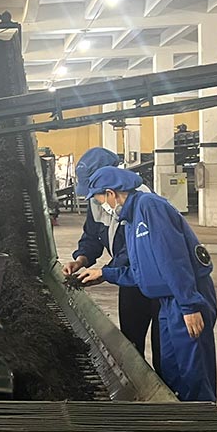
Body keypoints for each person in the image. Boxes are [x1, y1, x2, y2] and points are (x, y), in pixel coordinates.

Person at [75, 166, 217, 402]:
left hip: (184, 296)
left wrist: (189, 305)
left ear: (111, 193)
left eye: (100, 200)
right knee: (171, 369)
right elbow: (142, 271)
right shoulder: (130, 220)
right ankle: (178, 415)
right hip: (167, 301)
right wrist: (105, 274)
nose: (101, 206)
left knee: (194, 371)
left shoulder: (150, 207)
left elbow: (174, 260)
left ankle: (202, 417)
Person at [62, 148, 161, 373]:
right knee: (131, 339)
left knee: (163, 345)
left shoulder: (142, 201)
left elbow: (133, 250)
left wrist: (105, 272)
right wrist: (81, 259)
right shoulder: (98, 200)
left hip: (153, 280)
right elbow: (92, 235)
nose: (95, 198)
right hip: (127, 280)